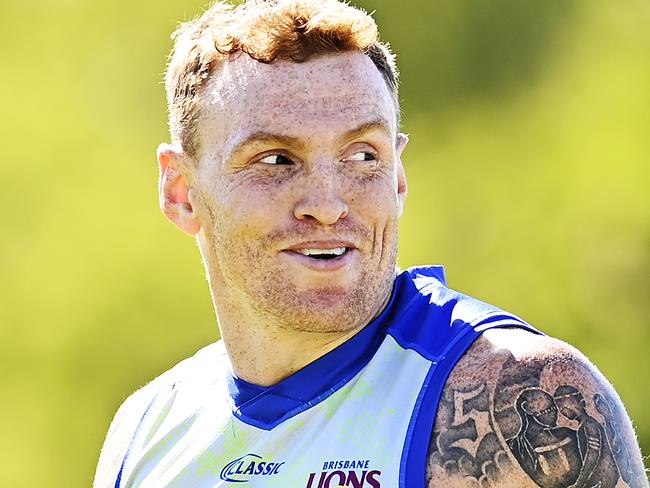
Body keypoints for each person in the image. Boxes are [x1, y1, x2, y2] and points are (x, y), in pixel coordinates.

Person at [94, 1, 648, 487]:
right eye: (275, 160)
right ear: (181, 190)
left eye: (362, 156)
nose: (328, 204)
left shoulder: (511, 396)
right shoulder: (149, 429)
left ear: (399, 176)